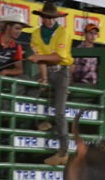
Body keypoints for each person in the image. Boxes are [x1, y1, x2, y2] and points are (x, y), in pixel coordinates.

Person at [28, 1, 73, 167]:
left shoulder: (63, 32)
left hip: (62, 72)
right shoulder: (36, 34)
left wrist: (39, 58)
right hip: (48, 70)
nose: (51, 21)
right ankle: (41, 122)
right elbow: (40, 58)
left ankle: (63, 151)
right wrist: (44, 78)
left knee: (60, 111)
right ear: (43, 18)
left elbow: (59, 56)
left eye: (53, 18)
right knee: (30, 90)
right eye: (48, 17)